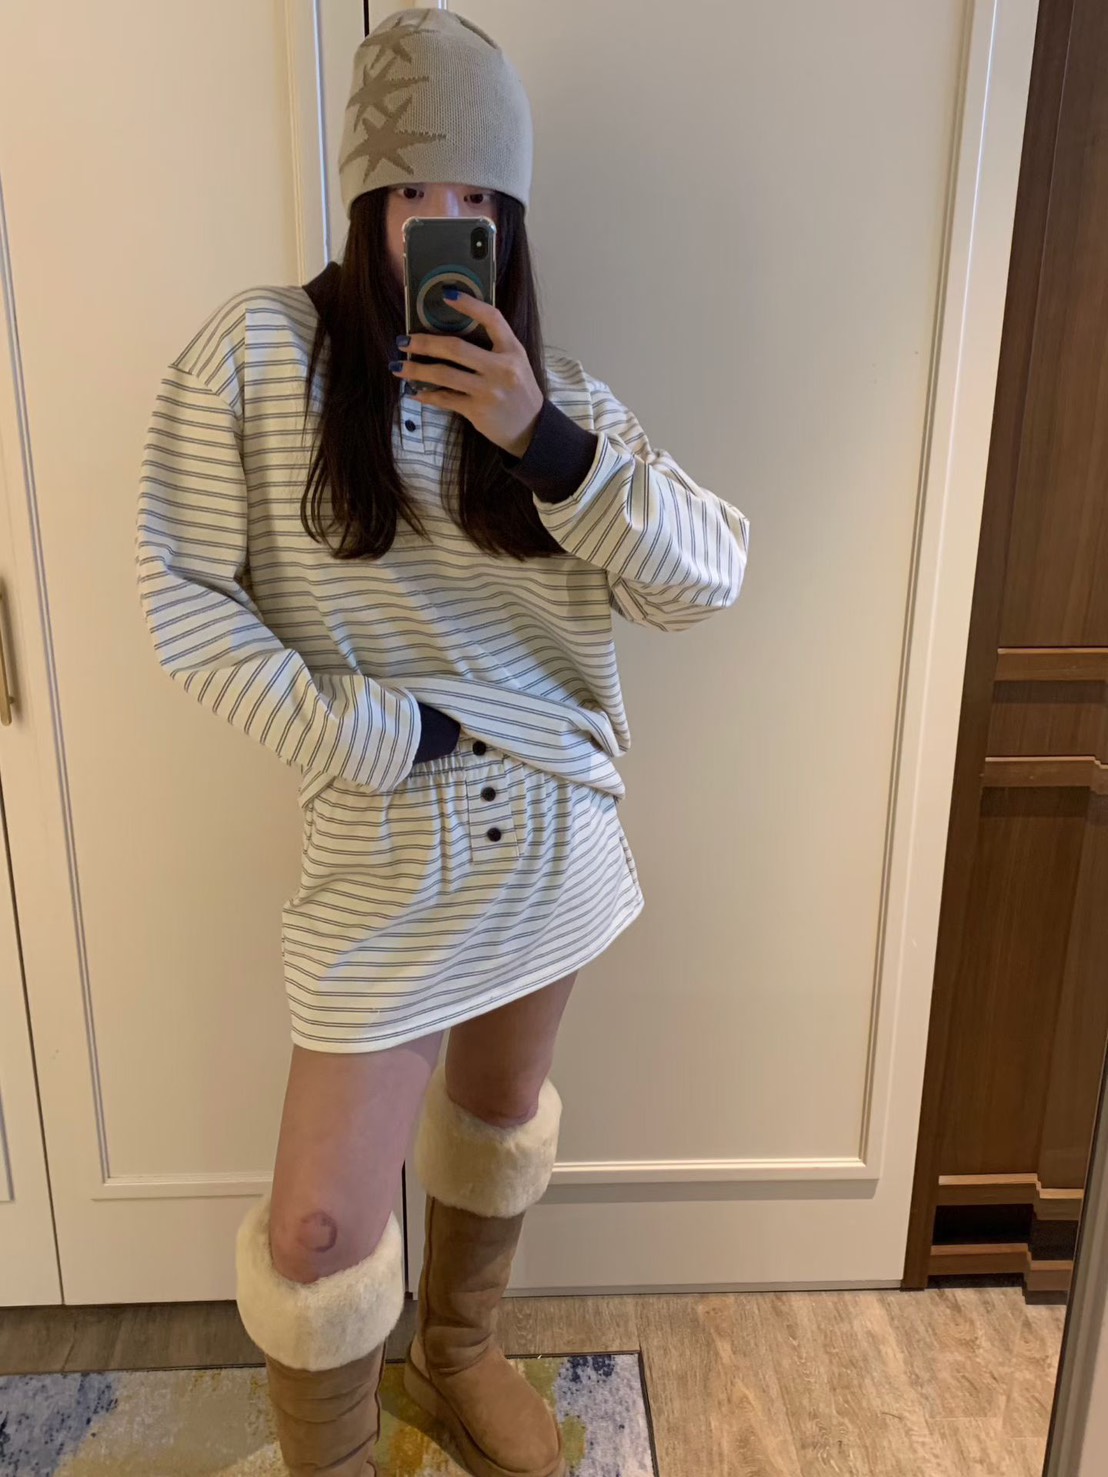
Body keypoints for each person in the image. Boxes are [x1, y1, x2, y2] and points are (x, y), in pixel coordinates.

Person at [135, 8, 749, 1475]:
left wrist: (548, 443)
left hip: (552, 837)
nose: (444, 222)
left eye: (480, 196)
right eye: (416, 188)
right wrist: (369, 731)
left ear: (510, 224)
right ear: (366, 203)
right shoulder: (257, 362)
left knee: (496, 1114)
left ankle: (459, 1350)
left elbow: (712, 576)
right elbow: (184, 601)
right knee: (318, 1229)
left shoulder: (559, 405)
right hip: (386, 845)